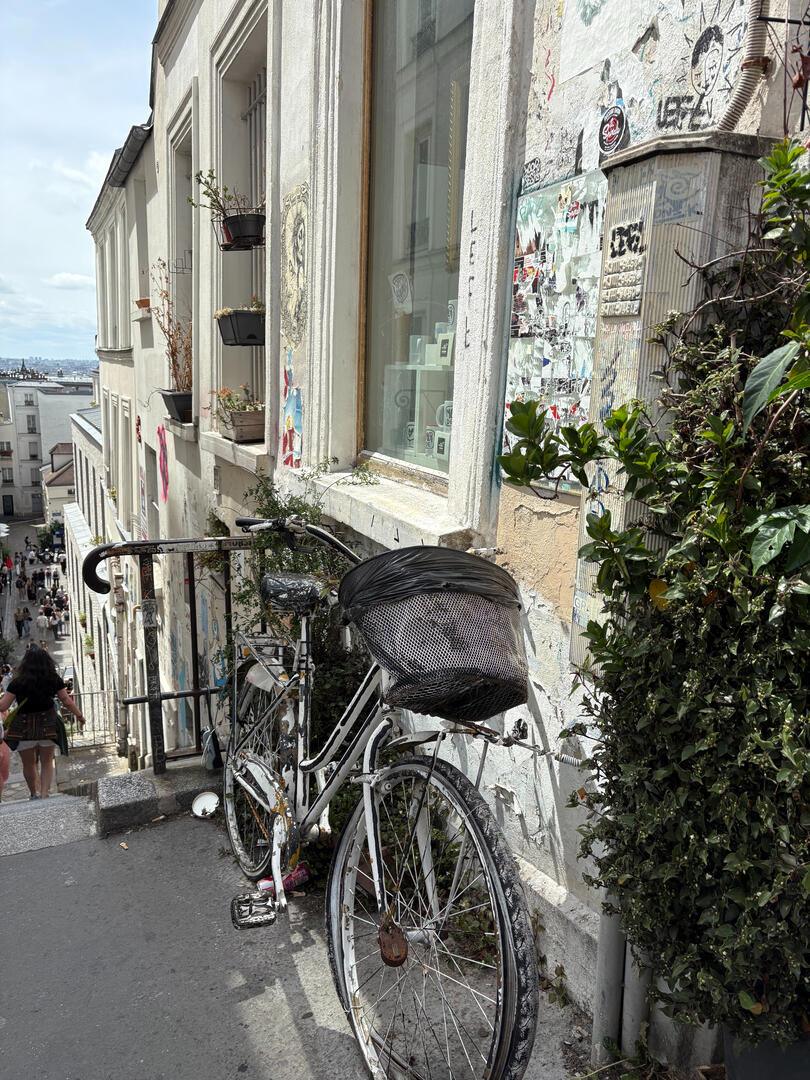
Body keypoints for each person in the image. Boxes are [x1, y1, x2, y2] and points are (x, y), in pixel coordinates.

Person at [1, 645, 85, 799]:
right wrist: (79, 716)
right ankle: (45, 794)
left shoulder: (17, 682)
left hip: (23, 727)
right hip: (48, 724)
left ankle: (34, 793)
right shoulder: (53, 679)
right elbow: (66, 700)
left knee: (28, 764)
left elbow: (3, 706)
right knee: (47, 762)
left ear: (25, 663)